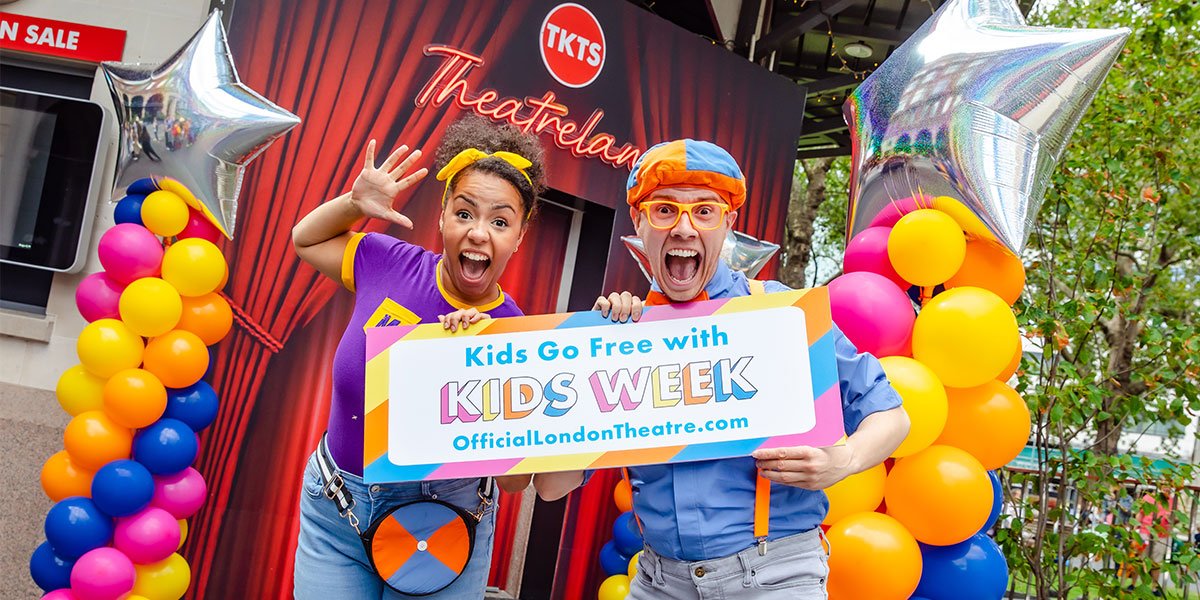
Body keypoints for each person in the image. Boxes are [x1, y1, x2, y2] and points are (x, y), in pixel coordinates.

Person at [535, 139, 911, 599]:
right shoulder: (621, 333)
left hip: (774, 578)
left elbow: (892, 414)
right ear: (639, 222)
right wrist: (598, 359)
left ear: (728, 224)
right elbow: (551, 488)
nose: (685, 229)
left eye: (705, 212)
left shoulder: (780, 315)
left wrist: (844, 460)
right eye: (665, 211)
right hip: (658, 581)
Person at [290, 116, 547, 598]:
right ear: (442, 215)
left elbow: (516, 484)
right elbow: (306, 240)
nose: (477, 233)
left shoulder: (515, 332)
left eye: (500, 221)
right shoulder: (387, 262)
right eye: (465, 213)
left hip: (443, 520)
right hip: (336, 509)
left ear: (519, 236)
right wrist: (352, 204)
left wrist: (483, 367)